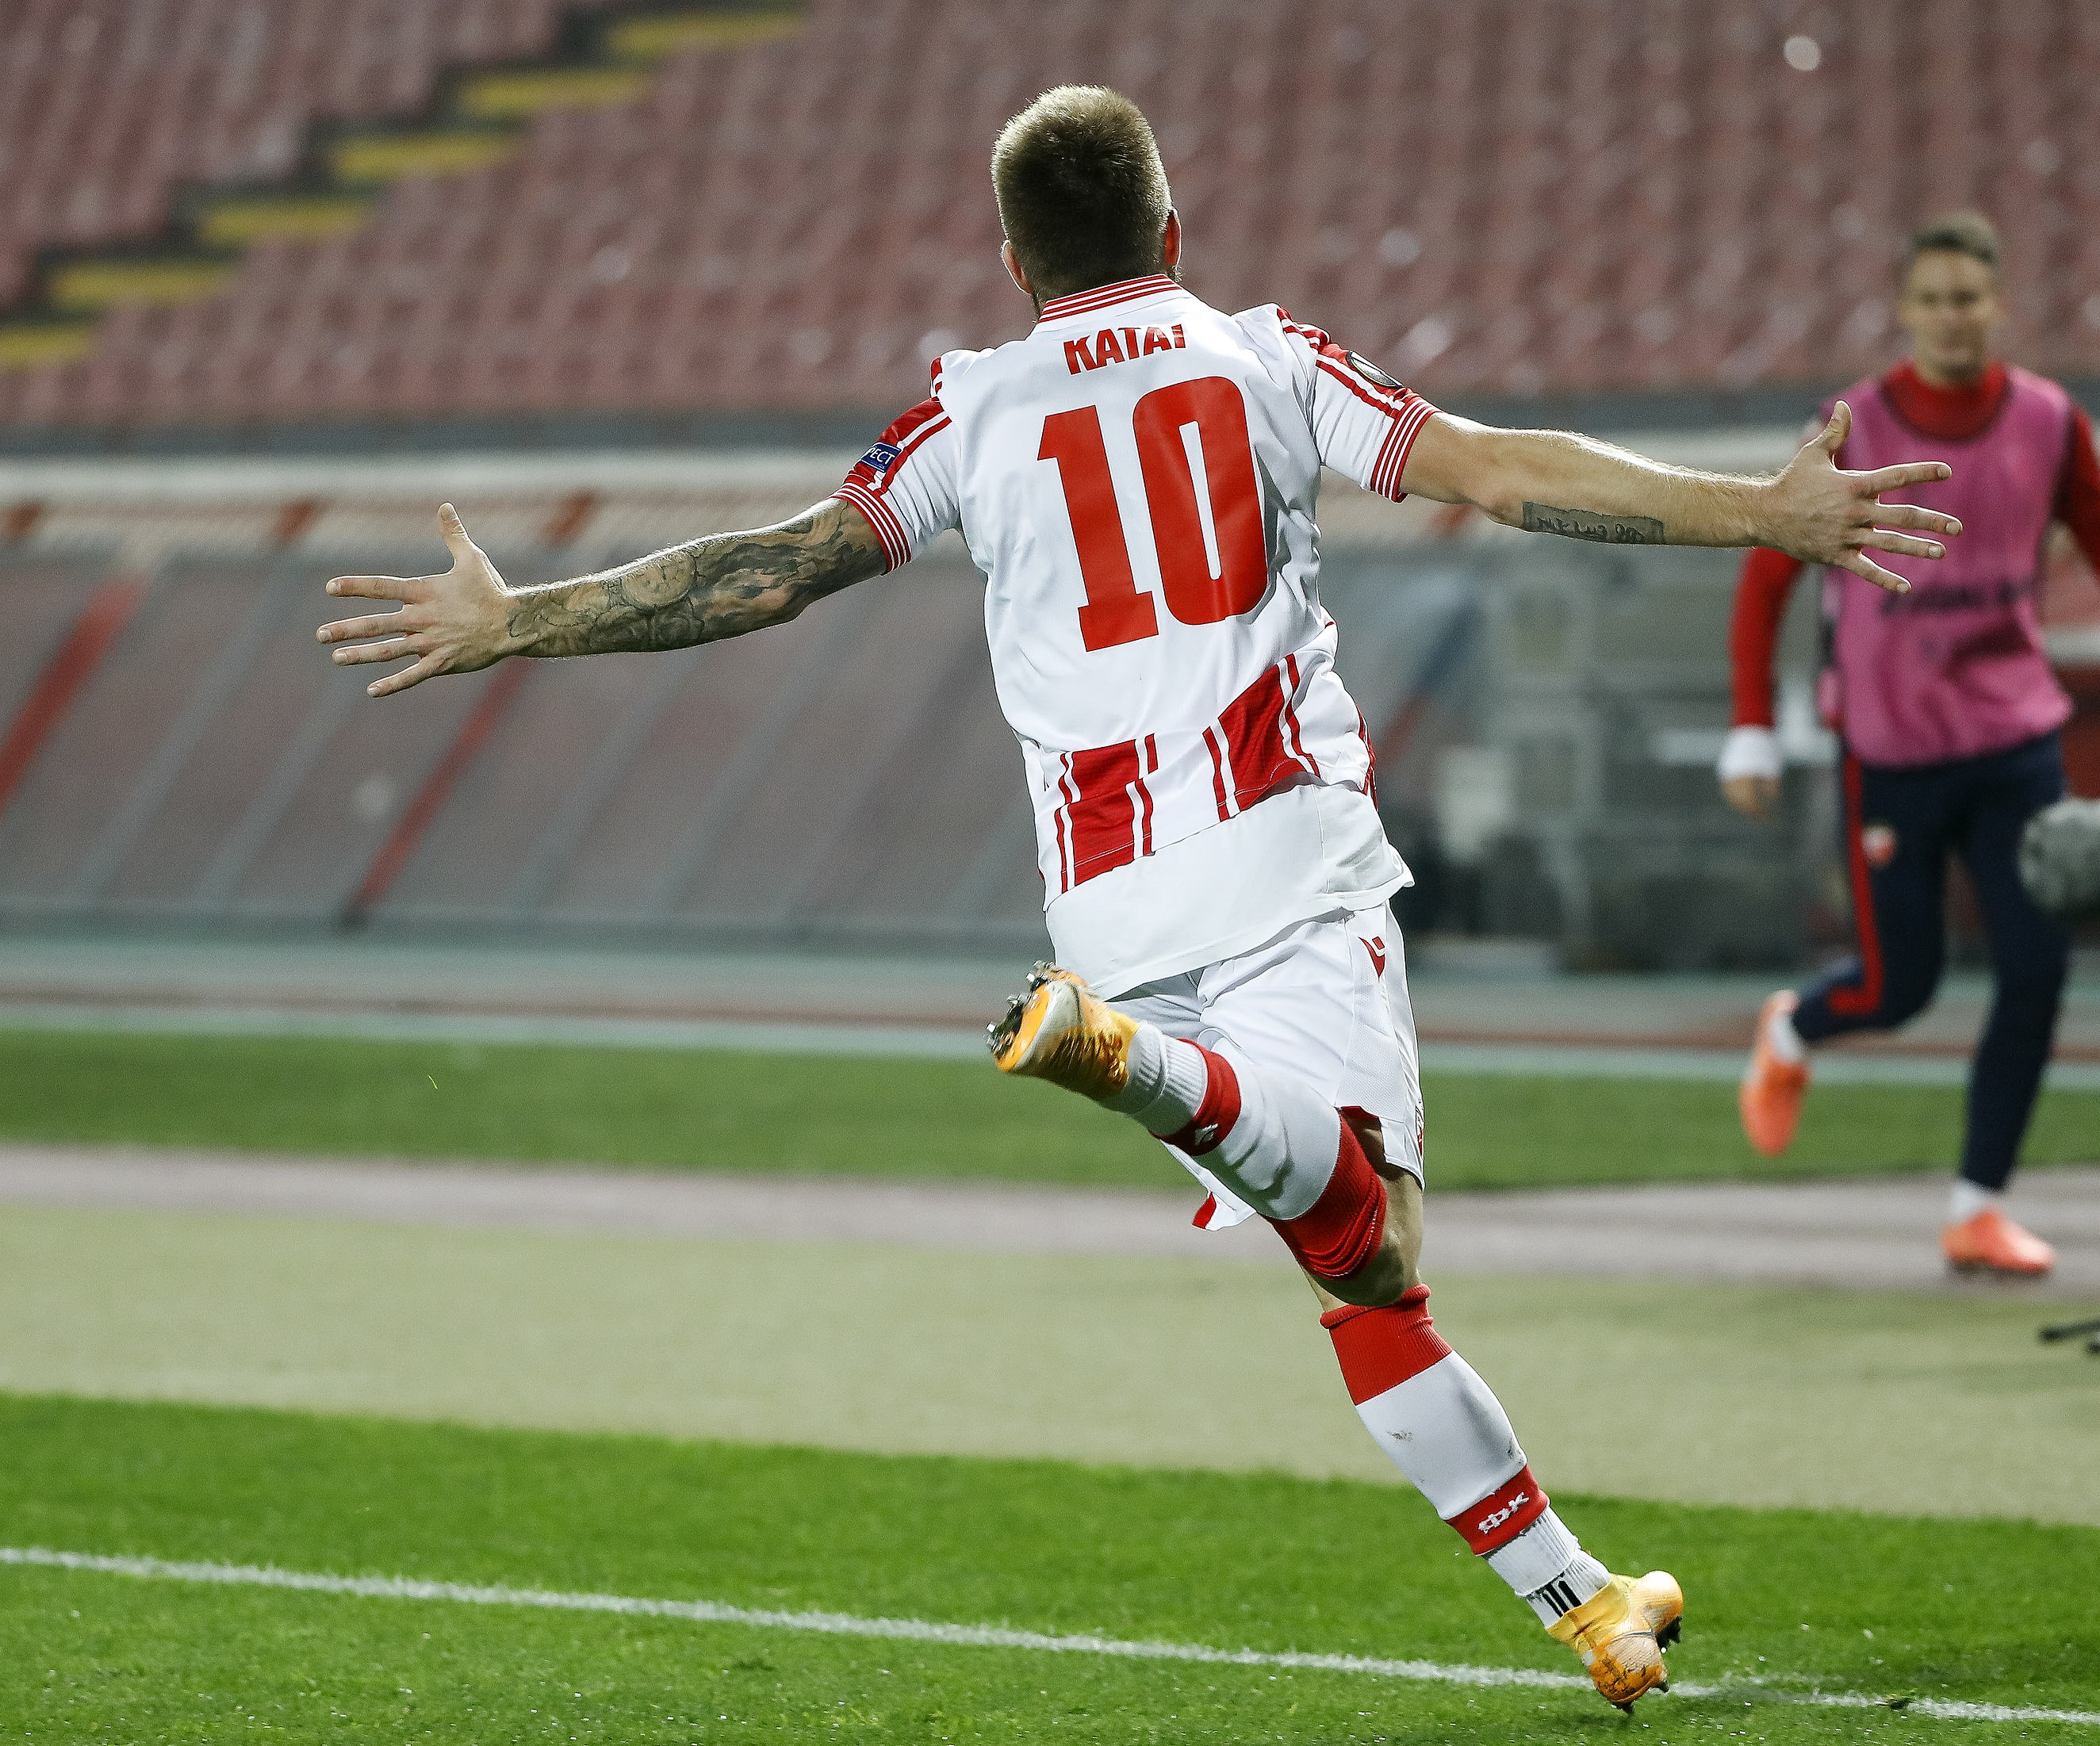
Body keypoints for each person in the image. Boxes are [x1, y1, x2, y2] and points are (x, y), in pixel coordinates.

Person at [316, 87, 1960, 1707]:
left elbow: (776, 569)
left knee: (1359, 1267)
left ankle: (1585, 1603)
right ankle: (1140, 1068)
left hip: (1106, 903)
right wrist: (1763, 511)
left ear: (1015, 263)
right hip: (1283, 863)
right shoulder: (1261, 356)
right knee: (1371, 1227)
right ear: (1170, 231)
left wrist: (527, 617)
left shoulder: (967, 413)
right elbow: (1500, 474)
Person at [1723, 211, 2100, 1277]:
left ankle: (1978, 1206)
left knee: (2038, 964)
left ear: (1999, 307)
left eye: (1969, 298)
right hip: (1888, 746)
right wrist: (1750, 725)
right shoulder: (1853, 427)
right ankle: (1792, 1032)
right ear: (1906, 310)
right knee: (1901, 984)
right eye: (1932, 298)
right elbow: (1767, 568)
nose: (1951, 316)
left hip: (2016, 740)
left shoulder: (2051, 421)